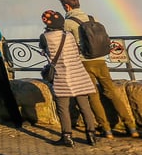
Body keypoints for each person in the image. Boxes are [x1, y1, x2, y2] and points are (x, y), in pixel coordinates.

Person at [59, 0, 139, 138]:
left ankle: (106, 129)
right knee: (111, 92)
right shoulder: (92, 18)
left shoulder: (68, 23)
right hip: (101, 60)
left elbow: (65, 44)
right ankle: (131, 127)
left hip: (84, 62)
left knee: (93, 95)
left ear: (67, 6)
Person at [38, 10, 100, 147]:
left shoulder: (45, 37)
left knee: (63, 108)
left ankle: (67, 137)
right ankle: (91, 135)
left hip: (62, 77)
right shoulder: (69, 35)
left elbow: (43, 48)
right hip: (78, 75)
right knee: (85, 107)